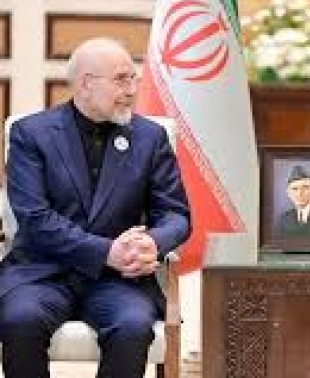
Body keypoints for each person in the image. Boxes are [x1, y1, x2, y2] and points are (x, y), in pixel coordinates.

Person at [0, 37, 191, 378]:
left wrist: (153, 242)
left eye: (133, 79)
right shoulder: (30, 134)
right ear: (86, 84)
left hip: (119, 280)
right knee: (20, 320)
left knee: (133, 326)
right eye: (121, 80)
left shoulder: (150, 137)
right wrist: (106, 251)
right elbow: (34, 218)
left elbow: (175, 214)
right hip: (42, 272)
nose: (132, 90)